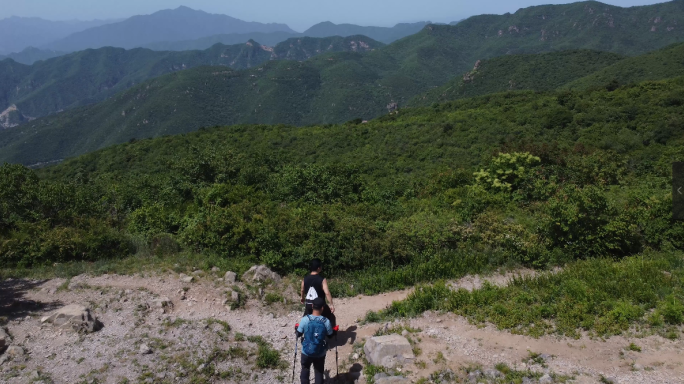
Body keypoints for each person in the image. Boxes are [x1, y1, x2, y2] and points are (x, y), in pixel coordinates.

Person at [296, 297, 335, 384]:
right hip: (320, 352)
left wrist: (297, 329)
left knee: (305, 370)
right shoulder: (326, 322)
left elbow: (298, 333)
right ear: (322, 308)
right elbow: (330, 335)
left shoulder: (305, 319)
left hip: (306, 352)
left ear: (312, 306)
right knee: (318, 372)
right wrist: (334, 331)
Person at [301, 258, 336, 327]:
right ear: (318, 268)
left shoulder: (304, 279)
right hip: (319, 306)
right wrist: (331, 304)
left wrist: (302, 298)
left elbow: (302, 290)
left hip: (309, 305)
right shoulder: (322, 279)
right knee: (331, 317)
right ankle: (330, 333)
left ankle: (301, 332)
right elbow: (327, 293)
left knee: (305, 318)